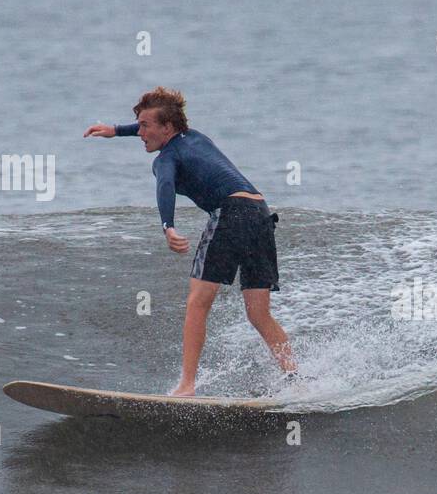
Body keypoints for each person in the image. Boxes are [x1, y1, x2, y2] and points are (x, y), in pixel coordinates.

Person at [84, 87, 298, 396]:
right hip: (261, 214)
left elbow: (166, 186)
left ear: (167, 128)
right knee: (258, 312)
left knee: (197, 303)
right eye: (138, 126)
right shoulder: (194, 136)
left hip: (231, 213)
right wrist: (116, 131)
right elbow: (151, 125)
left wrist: (168, 226)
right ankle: (293, 375)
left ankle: (186, 385)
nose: (140, 133)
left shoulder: (165, 159)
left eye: (145, 126)